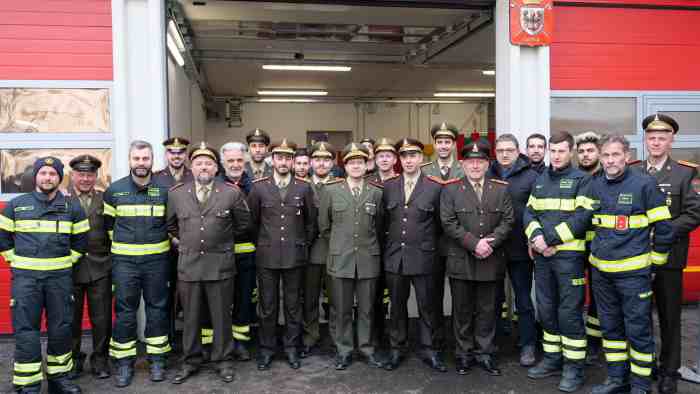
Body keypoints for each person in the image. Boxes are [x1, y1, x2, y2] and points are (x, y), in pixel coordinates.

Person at [587, 134, 674, 394]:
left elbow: (665, 230)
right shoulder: (595, 184)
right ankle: (617, 379)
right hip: (602, 273)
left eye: (616, 155)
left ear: (627, 156)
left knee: (638, 331)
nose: (611, 160)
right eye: (606, 155)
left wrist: (653, 265)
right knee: (610, 330)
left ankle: (640, 385)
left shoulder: (645, 185)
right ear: (600, 158)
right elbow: (589, 225)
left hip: (633, 275)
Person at [1, 157, 89, 394]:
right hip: (26, 280)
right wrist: (16, 261)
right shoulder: (17, 205)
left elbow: (81, 241)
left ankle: (59, 379)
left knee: (61, 328)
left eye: (52, 173)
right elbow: (3, 238)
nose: (47, 177)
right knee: (26, 330)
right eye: (43, 173)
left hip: (59, 279)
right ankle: (28, 383)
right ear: (36, 176)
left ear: (60, 178)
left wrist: (65, 262)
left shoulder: (73, 207)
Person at [167, 143, 251, 384]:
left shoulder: (231, 193)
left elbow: (243, 224)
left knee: (221, 316)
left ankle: (223, 360)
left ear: (217, 168)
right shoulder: (177, 193)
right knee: (191, 318)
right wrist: (189, 242)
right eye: (199, 163)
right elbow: (171, 224)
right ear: (191, 167)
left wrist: (220, 240)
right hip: (189, 265)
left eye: (208, 163)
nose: (204, 167)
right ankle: (190, 361)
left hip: (220, 265)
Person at [630, 114, 700, 394]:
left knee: (670, 317)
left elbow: (694, 213)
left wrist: (665, 232)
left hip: (670, 257)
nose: (656, 142)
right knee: (639, 316)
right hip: (636, 256)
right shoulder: (633, 171)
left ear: (671, 140)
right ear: (645, 140)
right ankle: (644, 368)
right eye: (651, 137)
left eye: (662, 137)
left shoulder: (685, 173)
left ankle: (669, 370)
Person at [524, 131, 595, 392]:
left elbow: (581, 219)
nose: (556, 155)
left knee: (569, 313)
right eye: (552, 151)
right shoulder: (540, 180)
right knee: (546, 309)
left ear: (571, 152)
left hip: (569, 259)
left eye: (561, 151)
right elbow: (529, 212)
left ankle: (574, 367)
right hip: (544, 258)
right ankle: (553, 358)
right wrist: (537, 238)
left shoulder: (583, 180)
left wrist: (549, 240)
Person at [441, 139, 514, 377]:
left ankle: (485, 354)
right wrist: (475, 244)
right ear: (462, 164)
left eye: (480, 161)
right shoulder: (450, 189)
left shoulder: (500, 188)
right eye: (470, 161)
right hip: (461, 259)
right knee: (461, 311)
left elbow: (508, 221)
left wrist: (489, 244)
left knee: (487, 310)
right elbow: (448, 222)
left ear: (487, 163)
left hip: (491, 258)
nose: (475, 166)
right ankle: (464, 355)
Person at [104, 140, 172, 387]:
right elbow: (108, 228)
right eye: (136, 158)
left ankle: (157, 360)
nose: (141, 163)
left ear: (152, 160)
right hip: (125, 264)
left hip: (156, 263)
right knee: (124, 312)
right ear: (129, 160)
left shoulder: (165, 190)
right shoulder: (114, 190)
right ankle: (124, 363)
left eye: (145, 158)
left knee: (157, 309)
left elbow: (170, 224)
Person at [247, 139, 317, 371]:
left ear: (292, 161)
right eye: (280, 157)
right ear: (272, 159)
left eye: (288, 158)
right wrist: (264, 244)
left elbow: (310, 223)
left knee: (293, 305)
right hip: (267, 256)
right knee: (267, 306)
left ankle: (291, 348)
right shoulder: (259, 187)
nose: (284, 162)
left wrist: (301, 245)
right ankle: (267, 350)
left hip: (294, 257)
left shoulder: (304, 187)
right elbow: (253, 223)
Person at [382, 138, 446, 372]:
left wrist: (433, 253)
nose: (409, 160)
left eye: (413, 156)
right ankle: (396, 349)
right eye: (404, 156)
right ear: (400, 159)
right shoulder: (389, 186)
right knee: (396, 307)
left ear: (421, 158)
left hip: (425, 258)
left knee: (427, 306)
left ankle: (429, 349)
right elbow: (383, 223)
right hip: (395, 257)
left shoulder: (435, 186)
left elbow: (442, 226)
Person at [319, 142, 385, 370]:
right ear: (344, 166)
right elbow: (324, 227)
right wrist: (341, 246)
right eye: (351, 162)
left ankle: (367, 349)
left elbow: (379, 225)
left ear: (367, 165)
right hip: (341, 259)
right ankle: (344, 350)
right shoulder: (330, 190)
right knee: (341, 309)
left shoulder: (376, 192)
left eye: (360, 162)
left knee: (367, 309)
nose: (356, 166)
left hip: (368, 259)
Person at [488, 133, 539, 367]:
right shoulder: (487, 173)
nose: (505, 154)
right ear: (495, 153)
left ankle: (528, 344)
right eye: (500, 150)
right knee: (493, 299)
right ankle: (494, 343)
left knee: (523, 299)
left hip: (521, 248)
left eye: (509, 150)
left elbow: (538, 212)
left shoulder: (532, 177)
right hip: (493, 248)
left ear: (518, 151)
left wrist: (533, 240)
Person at [421, 122, 465, 352]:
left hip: (458, 241)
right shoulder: (425, 170)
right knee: (433, 294)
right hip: (432, 240)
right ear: (434, 145)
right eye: (439, 142)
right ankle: (435, 341)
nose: (444, 146)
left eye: (448, 141)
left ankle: (460, 342)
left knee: (461, 296)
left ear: (454, 144)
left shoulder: (464, 168)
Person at [67, 155, 112, 380]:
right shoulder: (61, 200)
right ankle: (74, 360)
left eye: (90, 174)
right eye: (81, 174)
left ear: (96, 176)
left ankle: (100, 360)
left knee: (102, 318)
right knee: (71, 318)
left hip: (100, 267)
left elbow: (113, 233)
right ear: (72, 175)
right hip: (70, 269)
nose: (85, 178)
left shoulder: (105, 200)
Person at [219, 142, 257, 361]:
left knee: (243, 298)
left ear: (246, 161)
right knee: (220, 300)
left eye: (239, 160)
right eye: (230, 160)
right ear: (223, 163)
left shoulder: (256, 186)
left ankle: (241, 341)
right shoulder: (214, 184)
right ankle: (222, 342)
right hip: (219, 252)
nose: (235, 164)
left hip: (246, 253)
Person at [302, 141, 338, 358]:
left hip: (335, 251)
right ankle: (310, 336)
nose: (321, 163)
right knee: (310, 298)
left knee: (337, 300)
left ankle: (336, 338)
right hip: (310, 252)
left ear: (332, 162)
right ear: (311, 162)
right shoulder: (301, 185)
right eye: (317, 159)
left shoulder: (341, 185)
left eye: (326, 159)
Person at [574, 131, 604, 365]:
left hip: (601, 247)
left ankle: (594, 343)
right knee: (573, 295)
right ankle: (577, 339)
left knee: (598, 296)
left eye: (590, 151)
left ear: (599, 153)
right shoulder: (574, 178)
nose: (585, 155)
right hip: (575, 246)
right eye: (581, 151)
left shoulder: (608, 178)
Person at [365, 137, 397, 349]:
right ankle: (375, 335)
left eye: (388, 156)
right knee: (374, 294)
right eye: (380, 156)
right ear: (374, 159)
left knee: (396, 294)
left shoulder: (402, 181)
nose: (384, 159)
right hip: (372, 246)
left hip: (395, 246)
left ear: (395, 159)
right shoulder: (367, 181)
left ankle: (395, 336)